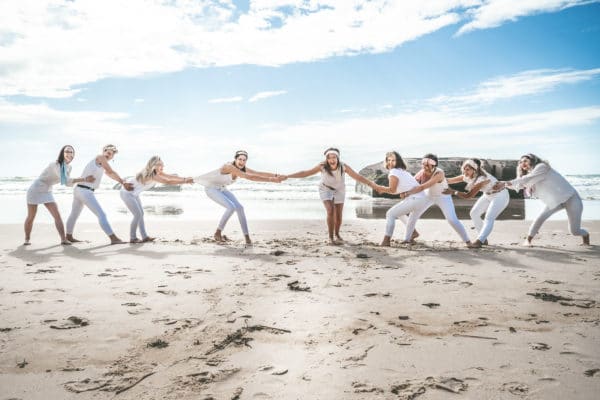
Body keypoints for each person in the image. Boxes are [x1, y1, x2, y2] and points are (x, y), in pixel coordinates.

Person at [494, 153, 589, 246]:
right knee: (539, 218)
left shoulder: (541, 167)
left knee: (574, 231)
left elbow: (526, 179)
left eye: (525, 161)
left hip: (571, 198)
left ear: (533, 160)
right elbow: (519, 186)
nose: (523, 163)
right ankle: (528, 240)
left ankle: (585, 235)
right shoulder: (530, 176)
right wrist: (505, 184)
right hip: (555, 202)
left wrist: (505, 182)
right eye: (521, 162)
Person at [285, 147, 376, 245]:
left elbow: (357, 177)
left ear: (338, 158)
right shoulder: (322, 166)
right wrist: (288, 176)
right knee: (330, 210)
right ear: (326, 159)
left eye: (334, 157)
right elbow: (305, 173)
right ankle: (330, 237)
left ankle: (337, 234)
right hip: (325, 189)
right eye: (329, 158)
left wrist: (371, 184)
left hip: (339, 190)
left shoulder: (343, 166)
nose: (332, 160)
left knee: (339, 215)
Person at [194, 150, 285, 246]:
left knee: (240, 208)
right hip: (211, 189)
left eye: (244, 160)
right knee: (231, 207)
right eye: (240, 159)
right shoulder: (229, 167)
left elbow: (258, 173)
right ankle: (218, 232)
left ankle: (247, 237)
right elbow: (250, 177)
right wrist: (271, 180)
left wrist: (276, 175)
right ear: (235, 159)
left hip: (221, 188)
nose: (242, 162)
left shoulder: (242, 168)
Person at [24, 145, 95, 245]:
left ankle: (63, 239)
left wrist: (83, 180)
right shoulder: (55, 164)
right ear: (62, 153)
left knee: (57, 215)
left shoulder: (69, 167)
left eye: (71, 152)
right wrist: (84, 179)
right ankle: (27, 239)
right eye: (67, 151)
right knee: (31, 216)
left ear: (73, 155)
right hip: (35, 189)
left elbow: (67, 183)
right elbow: (64, 179)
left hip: (47, 190)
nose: (69, 154)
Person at [65, 144, 133, 245]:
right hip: (85, 191)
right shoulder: (99, 157)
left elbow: (109, 173)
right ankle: (113, 238)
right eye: (108, 152)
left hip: (79, 190)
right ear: (103, 151)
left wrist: (120, 181)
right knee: (101, 214)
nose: (109, 155)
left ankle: (69, 237)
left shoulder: (101, 164)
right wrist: (123, 182)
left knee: (74, 215)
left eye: (111, 154)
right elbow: (110, 171)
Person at [401, 154, 472, 247]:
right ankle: (407, 239)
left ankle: (468, 242)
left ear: (433, 165)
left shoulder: (439, 173)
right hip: (428, 196)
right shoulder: (422, 172)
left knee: (452, 219)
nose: (424, 167)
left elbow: (423, 186)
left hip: (443, 196)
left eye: (427, 165)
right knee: (413, 215)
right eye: (423, 165)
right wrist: (404, 190)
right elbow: (413, 182)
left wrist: (408, 193)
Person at [121, 156, 194, 243]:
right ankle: (133, 238)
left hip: (134, 194)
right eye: (159, 164)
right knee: (137, 215)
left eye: (162, 164)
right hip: (126, 193)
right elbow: (168, 181)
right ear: (153, 165)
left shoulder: (157, 173)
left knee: (141, 214)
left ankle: (144, 237)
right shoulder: (151, 174)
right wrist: (185, 181)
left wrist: (185, 178)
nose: (161, 166)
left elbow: (170, 177)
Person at [444, 159, 509, 248]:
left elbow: (469, 196)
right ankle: (484, 238)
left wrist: (453, 192)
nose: (464, 171)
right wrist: (436, 177)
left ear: (474, 170)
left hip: (500, 195)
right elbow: (449, 180)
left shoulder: (482, 179)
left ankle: (479, 241)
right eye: (464, 169)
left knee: (489, 218)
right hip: (487, 195)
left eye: (467, 169)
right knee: (474, 213)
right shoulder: (467, 176)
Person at [370, 151, 429, 246]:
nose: (390, 162)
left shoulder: (394, 172)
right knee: (399, 214)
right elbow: (403, 187)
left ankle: (386, 240)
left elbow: (392, 190)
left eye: (393, 160)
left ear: (398, 161)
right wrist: (402, 192)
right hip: (422, 199)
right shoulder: (402, 171)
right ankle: (413, 232)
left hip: (416, 198)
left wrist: (381, 188)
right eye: (388, 160)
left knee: (390, 214)